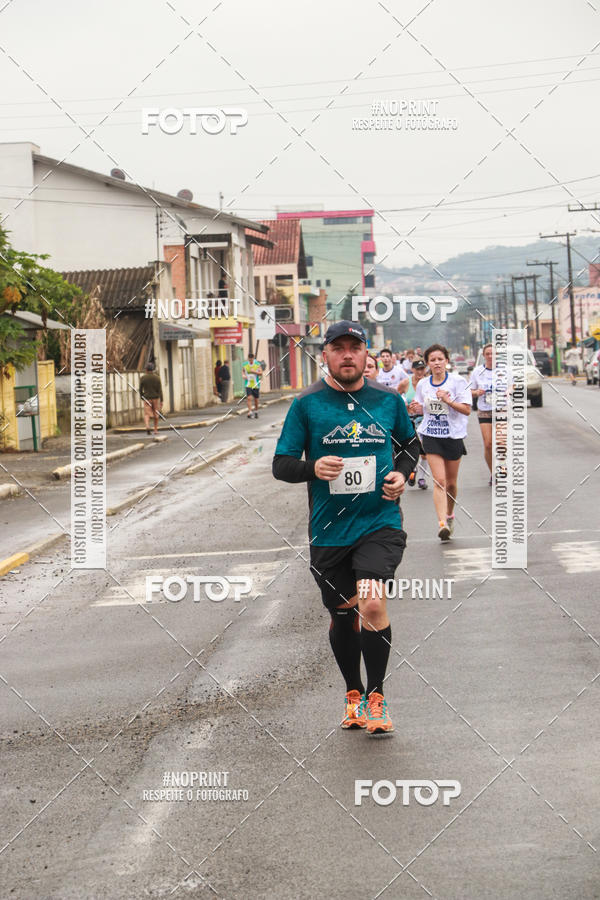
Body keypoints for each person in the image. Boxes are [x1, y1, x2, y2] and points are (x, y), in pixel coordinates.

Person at [273, 321, 420, 735]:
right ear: (326, 356)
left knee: (372, 604)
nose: (348, 355)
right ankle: (352, 691)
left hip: (380, 522)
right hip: (329, 531)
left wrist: (402, 476)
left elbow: (409, 447)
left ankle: (376, 696)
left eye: (355, 347)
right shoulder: (307, 405)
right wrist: (312, 468)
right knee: (342, 616)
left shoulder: (388, 401)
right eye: (338, 348)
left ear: (366, 354)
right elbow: (281, 464)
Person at [412, 344, 472, 541]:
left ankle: (450, 515)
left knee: (452, 484)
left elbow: (466, 410)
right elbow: (423, 409)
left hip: (453, 435)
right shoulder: (423, 384)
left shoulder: (458, 381)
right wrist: (416, 408)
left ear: (447, 361)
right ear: (428, 363)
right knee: (439, 480)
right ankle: (442, 524)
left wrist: (448, 401)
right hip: (431, 434)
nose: (436, 363)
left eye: (440, 359)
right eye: (433, 360)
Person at [470, 343, 496, 485]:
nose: (491, 356)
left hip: (502, 409)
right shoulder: (477, 372)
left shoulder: (506, 370)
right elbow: (469, 391)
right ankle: (493, 472)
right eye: (488, 354)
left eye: (493, 353)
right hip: (484, 410)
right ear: (484, 356)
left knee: (501, 443)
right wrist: (476, 392)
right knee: (488, 444)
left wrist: (508, 390)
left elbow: (514, 384)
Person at [404, 359, 430, 489]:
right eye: (417, 369)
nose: (420, 371)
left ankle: (421, 478)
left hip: (424, 420)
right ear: (413, 370)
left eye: (422, 369)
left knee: (424, 451)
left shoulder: (429, 382)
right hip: (409, 421)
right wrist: (405, 405)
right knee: (413, 449)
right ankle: (413, 470)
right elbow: (395, 396)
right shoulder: (406, 383)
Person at [139, 362, 163, 436]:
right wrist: (161, 400)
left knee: (147, 414)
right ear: (153, 369)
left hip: (147, 398)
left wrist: (142, 396)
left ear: (146, 369)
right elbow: (160, 390)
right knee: (156, 414)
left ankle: (147, 426)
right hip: (155, 398)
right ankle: (155, 430)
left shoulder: (143, 378)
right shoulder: (157, 378)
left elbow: (140, 389)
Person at [243, 351, 263, 418]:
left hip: (256, 384)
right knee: (249, 398)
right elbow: (243, 372)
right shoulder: (245, 364)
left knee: (256, 399)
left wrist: (254, 371)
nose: (250, 360)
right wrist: (243, 376)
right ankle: (250, 411)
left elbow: (261, 373)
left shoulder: (257, 364)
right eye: (249, 359)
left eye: (251, 359)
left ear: (253, 358)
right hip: (248, 384)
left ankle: (256, 411)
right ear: (248, 358)